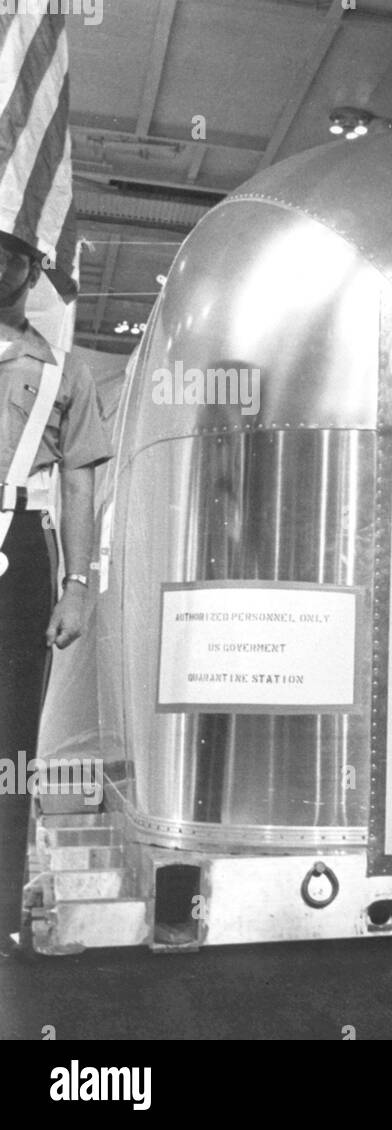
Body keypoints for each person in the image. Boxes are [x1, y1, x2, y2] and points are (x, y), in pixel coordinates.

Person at [0, 231, 112, 957]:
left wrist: (76, 585)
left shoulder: (62, 371)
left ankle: (1, 917)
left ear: (30, 270)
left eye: (7, 253)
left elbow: (78, 479)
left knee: (8, 740)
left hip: (19, 546)